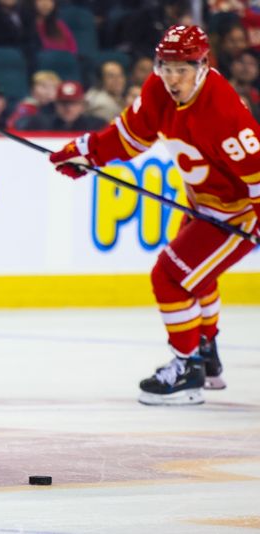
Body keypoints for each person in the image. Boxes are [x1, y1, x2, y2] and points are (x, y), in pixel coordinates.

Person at [49, 25, 260, 405]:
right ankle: (206, 354)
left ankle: (187, 367)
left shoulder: (225, 112)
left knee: (170, 276)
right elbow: (130, 137)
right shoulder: (157, 89)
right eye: (166, 67)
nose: (173, 78)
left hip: (237, 213)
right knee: (193, 274)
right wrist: (86, 152)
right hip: (202, 202)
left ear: (203, 65)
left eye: (183, 69)